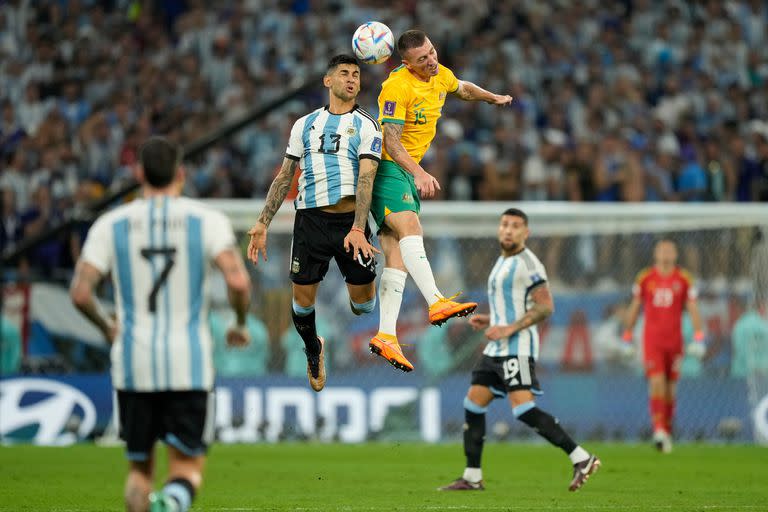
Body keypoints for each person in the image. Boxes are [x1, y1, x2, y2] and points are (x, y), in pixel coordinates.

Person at [69, 136, 252, 512]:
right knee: (187, 466)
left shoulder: (111, 224)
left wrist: (106, 326)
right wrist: (238, 321)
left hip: (133, 363)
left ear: (138, 174)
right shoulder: (206, 220)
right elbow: (237, 281)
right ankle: (171, 501)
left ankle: (158, 501)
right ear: (180, 173)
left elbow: (81, 293)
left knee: (139, 471)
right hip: (189, 363)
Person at [369, 29, 513, 372]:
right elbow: (390, 141)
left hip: (402, 171)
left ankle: (386, 335)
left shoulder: (438, 73)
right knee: (411, 227)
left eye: (432, 52)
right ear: (407, 63)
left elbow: (461, 87)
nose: (431, 60)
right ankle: (435, 301)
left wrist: (491, 97)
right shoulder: (396, 87)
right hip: (387, 168)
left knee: (395, 252)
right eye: (422, 59)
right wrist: (418, 172)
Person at [439, 208, 600, 492]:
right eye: (504, 225)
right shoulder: (503, 261)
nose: (509, 230)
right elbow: (516, 305)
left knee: (523, 409)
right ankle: (472, 476)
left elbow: (545, 306)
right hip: (497, 347)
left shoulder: (528, 263)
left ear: (526, 233)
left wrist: (507, 329)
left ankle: (582, 457)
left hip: (517, 346)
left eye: (516, 226)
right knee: (473, 403)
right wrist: (492, 320)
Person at [246, 54, 381, 391]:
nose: (352, 79)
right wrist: (263, 222)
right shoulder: (304, 125)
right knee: (301, 303)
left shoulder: (367, 125)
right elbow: (284, 176)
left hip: (352, 222)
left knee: (364, 307)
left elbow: (366, 179)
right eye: (344, 73)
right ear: (328, 81)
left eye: (356, 74)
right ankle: (313, 349)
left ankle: (358, 286)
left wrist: (359, 228)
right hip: (311, 221)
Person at [622, 238, 705, 453]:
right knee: (657, 382)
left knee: (670, 388)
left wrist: (698, 336)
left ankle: (666, 431)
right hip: (652, 341)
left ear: (675, 255)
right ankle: (658, 429)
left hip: (675, 341)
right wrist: (628, 335)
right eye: (662, 250)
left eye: (670, 250)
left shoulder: (684, 279)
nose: (666, 254)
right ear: (656, 254)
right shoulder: (645, 277)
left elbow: (693, 308)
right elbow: (635, 306)